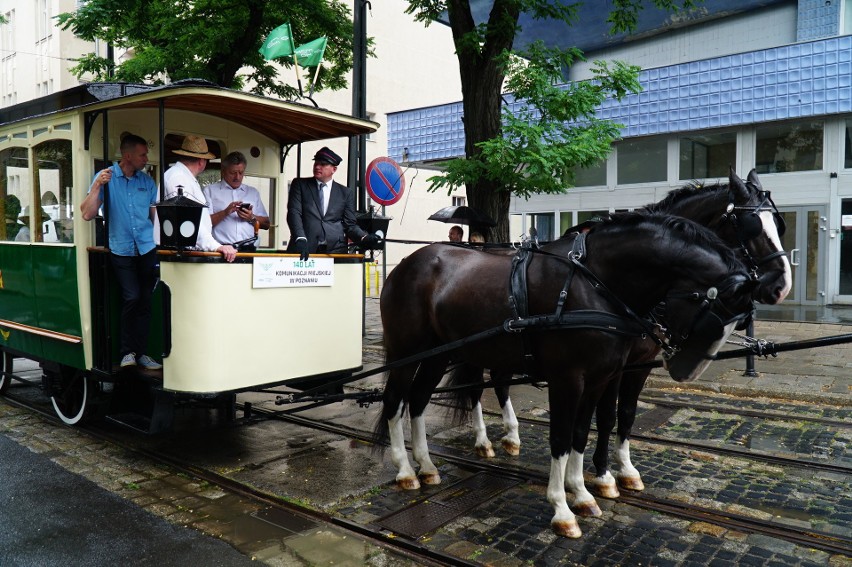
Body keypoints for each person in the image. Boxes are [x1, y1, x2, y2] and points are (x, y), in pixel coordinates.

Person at [79, 133, 163, 370]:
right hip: (121, 249)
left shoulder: (146, 182)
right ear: (127, 156)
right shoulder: (106, 177)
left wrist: (163, 241)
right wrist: (97, 186)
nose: (146, 158)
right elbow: (86, 213)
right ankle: (127, 353)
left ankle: (143, 353)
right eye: (143, 154)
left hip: (147, 248)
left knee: (146, 301)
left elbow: (154, 216)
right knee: (132, 297)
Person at [286, 146, 381, 261]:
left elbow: (349, 225)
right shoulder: (300, 184)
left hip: (335, 252)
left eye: (323, 164)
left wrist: (364, 237)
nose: (317, 166)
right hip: (304, 249)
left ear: (334, 169)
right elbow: (294, 213)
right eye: (316, 162)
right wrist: (300, 237)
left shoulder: (345, 193)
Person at [160, 135, 237, 262]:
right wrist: (216, 246)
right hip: (181, 253)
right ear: (202, 161)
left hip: (186, 250)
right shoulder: (179, 179)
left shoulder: (182, 177)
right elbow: (187, 220)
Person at [203, 151, 270, 251]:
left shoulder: (253, 192)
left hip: (248, 249)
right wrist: (225, 212)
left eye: (241, 173)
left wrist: (251, 217)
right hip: (221, 249)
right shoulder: (210, 191)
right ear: (224, 171)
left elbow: (266, 224)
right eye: (233, 173)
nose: (237, 177)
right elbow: (204, 224)